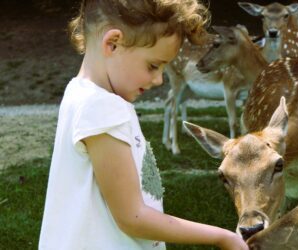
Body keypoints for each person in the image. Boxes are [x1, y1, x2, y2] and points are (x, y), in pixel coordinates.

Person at [39, 0, 249, 249]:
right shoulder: (101, 108)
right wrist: (222, 237)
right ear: (112, 44)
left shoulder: (83, 94)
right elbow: (132, 217)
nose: (159, 79)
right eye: (153, 65)